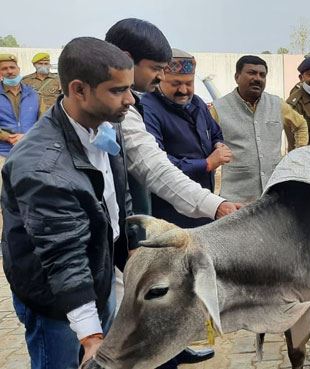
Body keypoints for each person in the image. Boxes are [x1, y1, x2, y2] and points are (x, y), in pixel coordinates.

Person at [2, 37, 133, 369]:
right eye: (118, 90)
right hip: (58, 300)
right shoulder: (42, 165)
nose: (130, 100)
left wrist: (127, 252)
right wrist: (91, 336)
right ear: (79, 90)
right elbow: (63, 253)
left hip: (98, 275)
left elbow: (117, 195)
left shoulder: (103, 125)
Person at [104, 18, 222, 366]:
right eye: (158, 71)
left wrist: (214, 204)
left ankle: (170, 350)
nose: (162, 81)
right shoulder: (136, 108)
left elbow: (213, 134)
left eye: (188, 82)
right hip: (156, 217)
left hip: (176, 213)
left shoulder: (179, 105)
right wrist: (208, 178)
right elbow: (155, 166)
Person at [142, 49, 230, 228]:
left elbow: (214, 132)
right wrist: (206, 164)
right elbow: (156, 162)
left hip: (204, 205)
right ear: (160, 79)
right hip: (169, 214)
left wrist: (218, 144)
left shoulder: (197, 103)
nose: (183, 90)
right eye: (175, 83)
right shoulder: (147, 109)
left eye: (189, 83)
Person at [215, 55, 308, 203]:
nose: (257, 78)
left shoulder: (277, 104)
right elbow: (207, 145)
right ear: (237, 77)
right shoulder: (218, 108)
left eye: (262, 75)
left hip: (274, 194)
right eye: (251, 73)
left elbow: (301, 125)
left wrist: (296, 156)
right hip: (236, 198)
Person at [0, 53, 45, 193]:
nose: (9, 71)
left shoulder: (33, 94)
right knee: (3, 196)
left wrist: (27, 137)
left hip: (29, 152)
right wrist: (6, 137)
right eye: (4, 68)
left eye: (12, 67)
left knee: (29, 196)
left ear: (19, 69)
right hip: (2, 153)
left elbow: (44, 122)